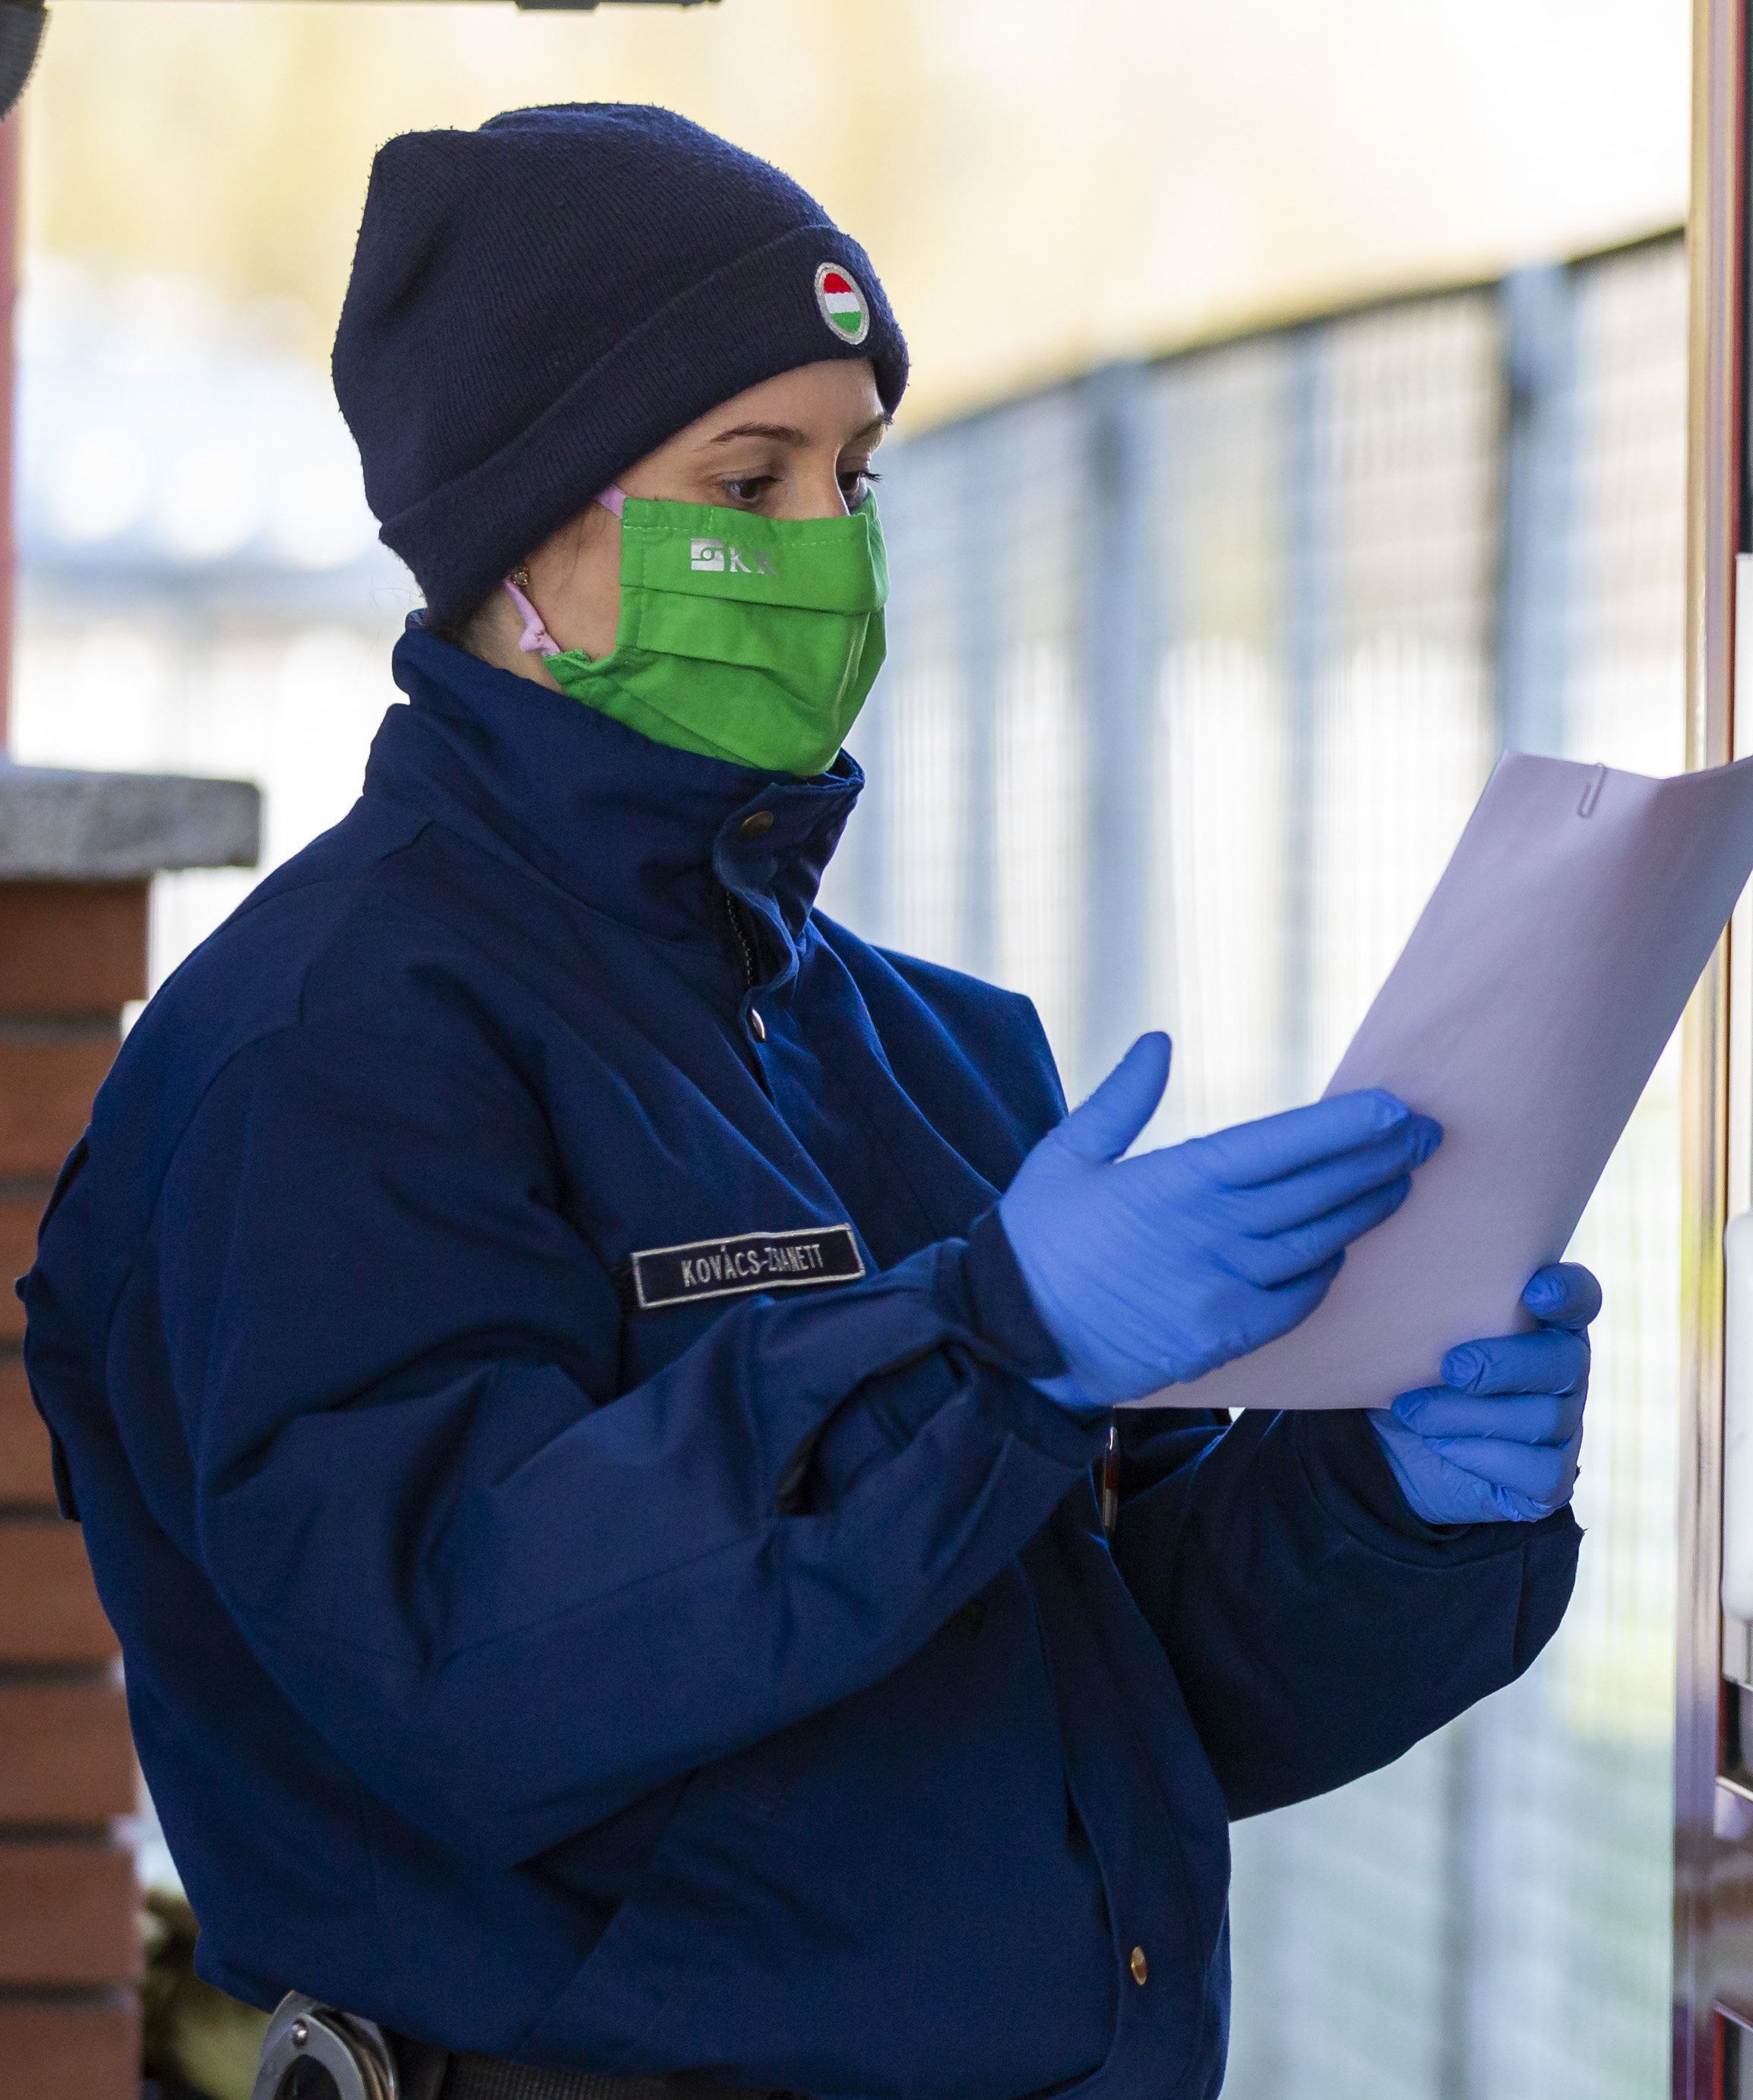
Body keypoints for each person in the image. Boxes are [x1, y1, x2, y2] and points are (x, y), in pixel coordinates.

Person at [16, 106, 1596, 2100]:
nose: (824, 543)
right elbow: (474, 1653)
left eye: (853, 474)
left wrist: (1394, 1508)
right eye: (743, 478)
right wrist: (990, 1350)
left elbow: (1093, 1700)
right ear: (529, 535)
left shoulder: (923, 1050)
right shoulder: (325, 1059)